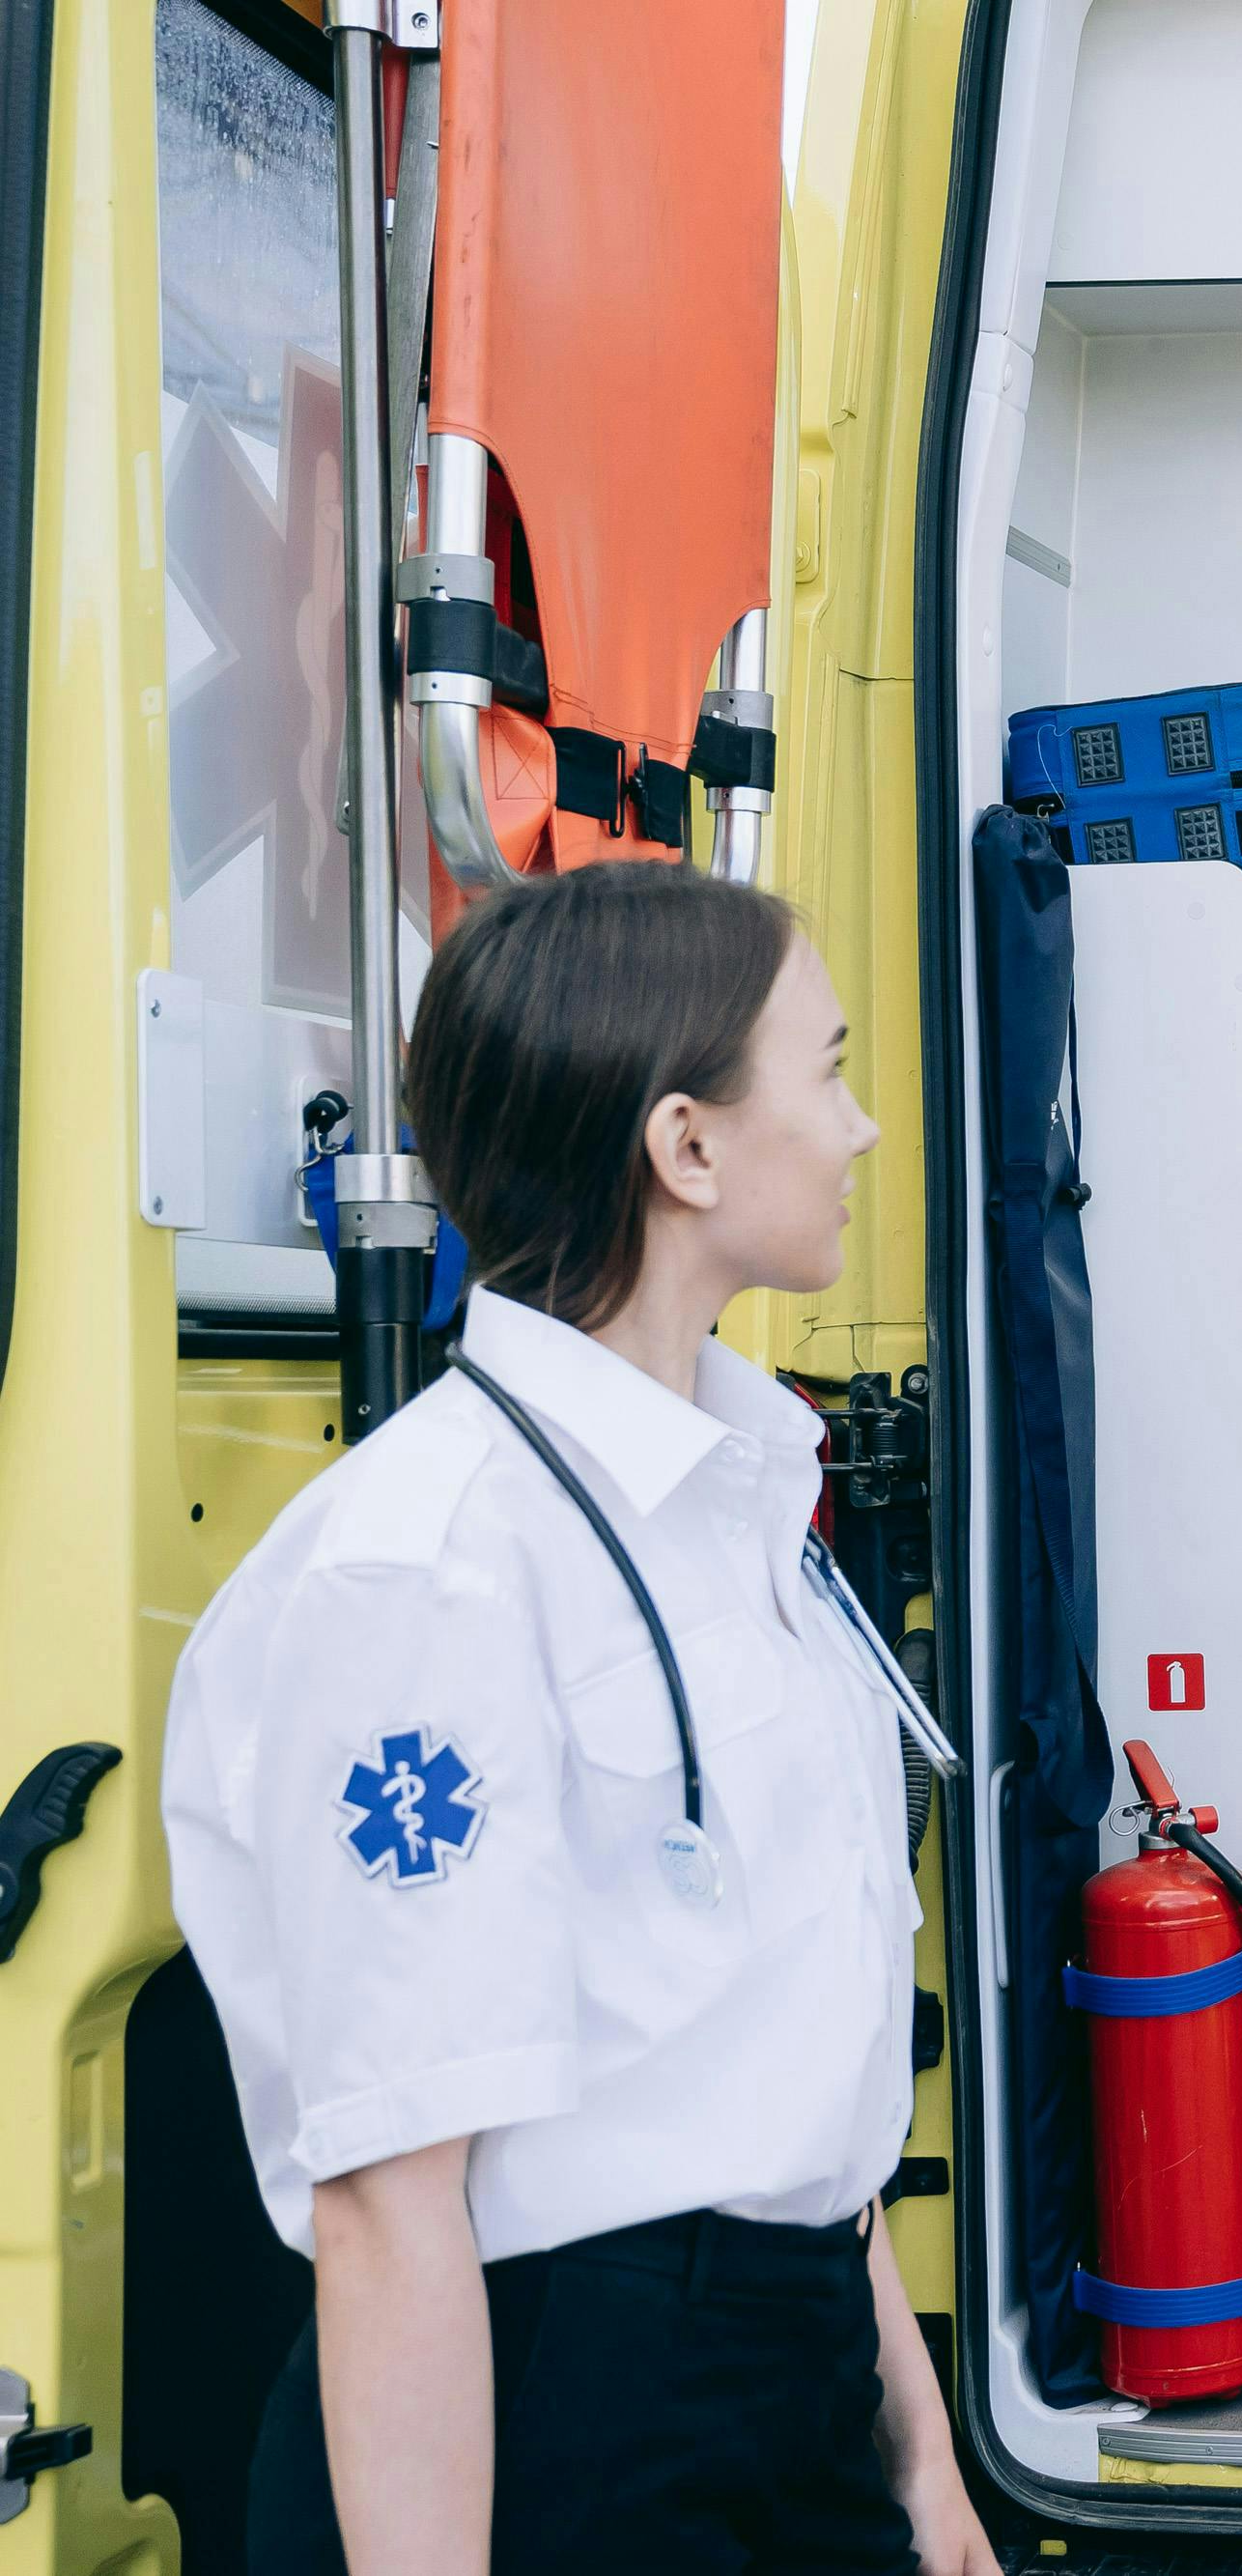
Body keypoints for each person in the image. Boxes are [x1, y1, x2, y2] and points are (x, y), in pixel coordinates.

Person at [159, 863, 997, 2572]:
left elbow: (771, 2080)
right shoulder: (428, 1569)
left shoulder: (742, 1501)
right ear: (687, 1148)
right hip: (554, 2422)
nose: (862, 1131)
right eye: (824, 1072)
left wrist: (926, 2479)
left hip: (789, 2377)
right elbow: (393, 2202)